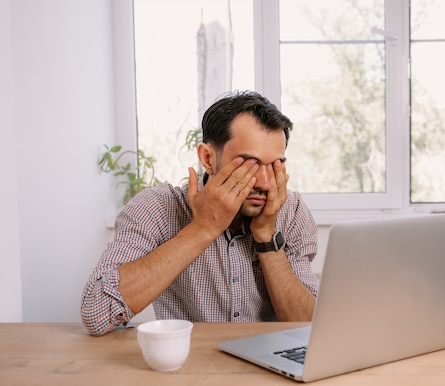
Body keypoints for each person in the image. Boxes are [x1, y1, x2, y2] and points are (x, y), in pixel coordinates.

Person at [81, 91, 319, 336]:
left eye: (274, 165)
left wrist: (266, 235)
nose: (266, 182)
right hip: (189, 365)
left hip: (267, 366)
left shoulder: (292, 210)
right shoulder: (157, 208)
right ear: (207, 158)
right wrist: (203, 228)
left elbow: (310, 327)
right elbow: (96, 313)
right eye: (250, 163)